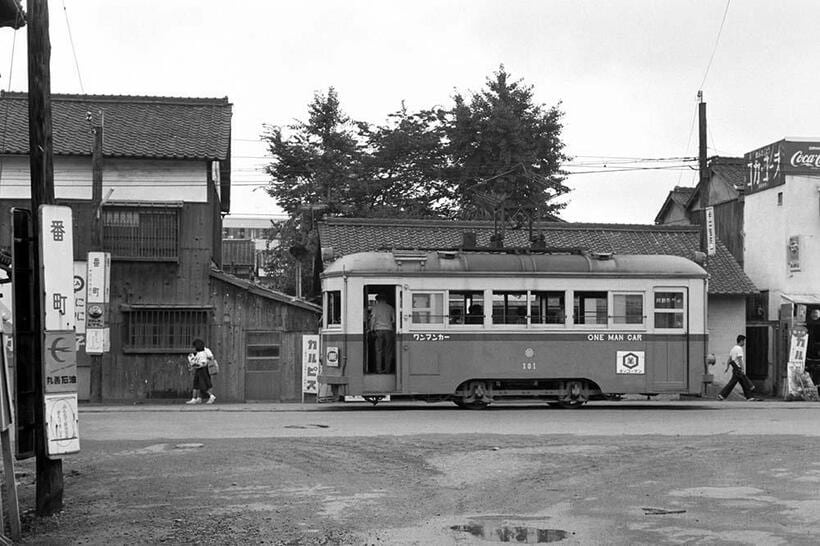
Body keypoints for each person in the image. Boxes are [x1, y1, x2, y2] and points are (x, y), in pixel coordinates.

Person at [717, 335, 761, 401]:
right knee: (733, 383)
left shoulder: (733, 349)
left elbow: (729, 359)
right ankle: (722, 395)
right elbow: (740, 359)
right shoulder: (739, 349)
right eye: (744, 341)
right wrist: (743, 369)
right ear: (741, 341)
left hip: (735, 368)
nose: (744, 343)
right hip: (738, 369)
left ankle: (749, 397)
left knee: (743, 383)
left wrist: (727, 367)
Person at [369, 294, 395, 373]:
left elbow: (373, 319)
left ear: (378, 300)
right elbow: (393, 320)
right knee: (388, 351)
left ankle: (378, 369)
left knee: (378, 351)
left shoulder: (375, 308)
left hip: (378, 330)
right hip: (388, 330)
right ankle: (387, 369)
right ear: (385, 299)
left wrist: (371, 329)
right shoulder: (390, 308)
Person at [186, 338, 216, 404]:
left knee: (203, 384)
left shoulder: (205, 351)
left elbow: (211, 358)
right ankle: (195, 398)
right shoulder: (198, 353)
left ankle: (211, 396)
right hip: (199, 369)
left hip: (203, 369)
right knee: (196, 383)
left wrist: (205, 361)